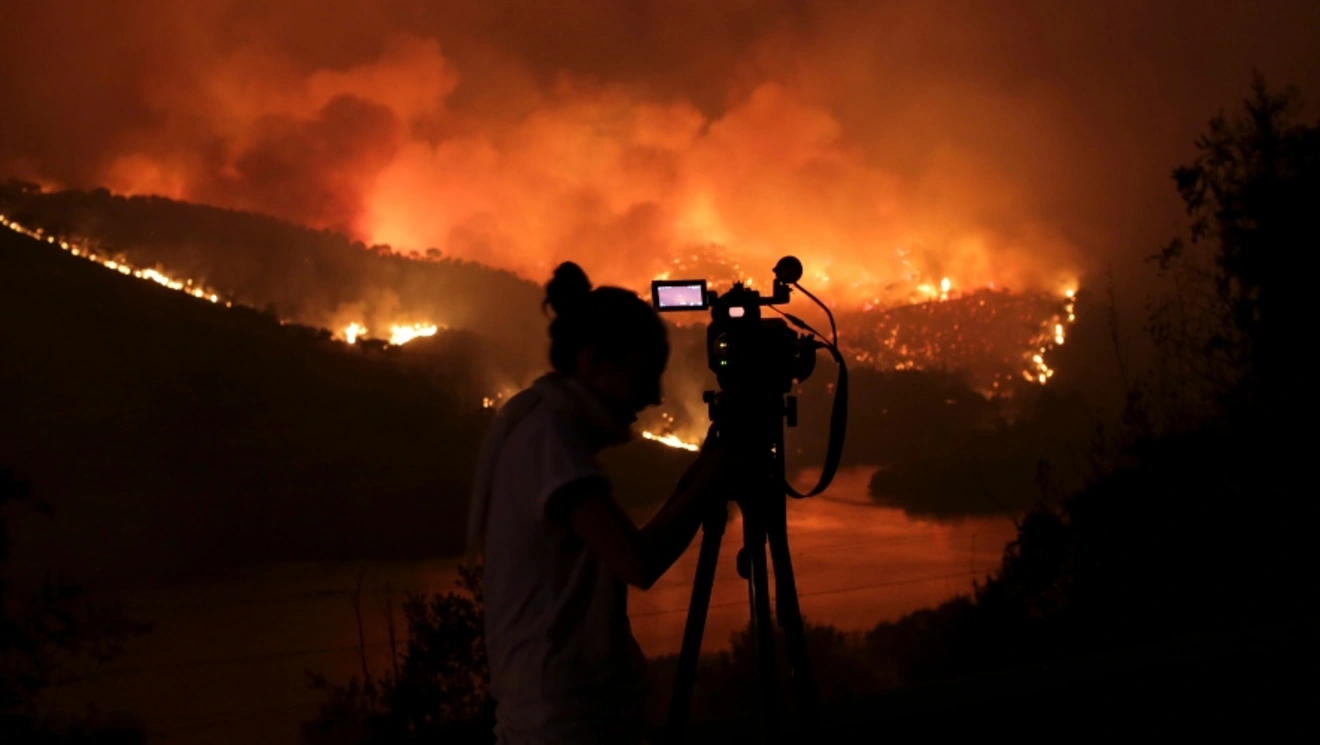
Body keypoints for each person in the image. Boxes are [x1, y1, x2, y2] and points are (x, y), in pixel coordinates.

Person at [467, 261, 733, 745]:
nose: (654, 396)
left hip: (561, 716)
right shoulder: (550, 442)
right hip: (565, 723)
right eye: (644, 375)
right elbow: (637, 561)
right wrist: (715, 476)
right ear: (593, 361)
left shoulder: (537, 425)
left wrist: (701, 475)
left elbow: (625, 545)